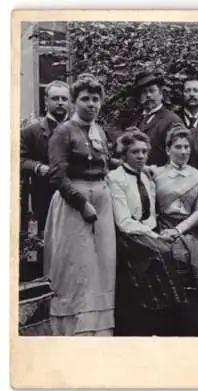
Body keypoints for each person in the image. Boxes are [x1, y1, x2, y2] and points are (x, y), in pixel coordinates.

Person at [44, 73, 116, 336]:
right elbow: (57, 174)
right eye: (85, 99)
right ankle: (73, 328)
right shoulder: (63, 132)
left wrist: (140, 170)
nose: (91, 105)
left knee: (103, 263)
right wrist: (81, 203)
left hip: (103, 202)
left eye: (95, 100)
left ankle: (99, 328)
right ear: (75, 102)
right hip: (73, 202)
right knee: (76, 265)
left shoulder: (99, 130)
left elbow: (105, 163)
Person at [107, 128, 187, 336]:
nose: (141, 156)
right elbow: (123, 221)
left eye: (144, 151)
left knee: (169, 250)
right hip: (126, 235)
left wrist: (155, 231)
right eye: (135, 152)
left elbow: (151, 213)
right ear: (124, 154)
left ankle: (166, 318)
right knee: (160, 253)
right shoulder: (116, 179)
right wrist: (153, 236)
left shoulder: (147, 177)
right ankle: (157, 315)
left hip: (147, 230)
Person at [152, 126, 198, 336]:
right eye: (178, 147)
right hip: (161, 228)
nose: (183, 151)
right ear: (168, 149)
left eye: (186, 147)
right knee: (168, 257)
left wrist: (178, 230)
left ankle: (194, 325)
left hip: (189, 229)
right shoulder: (156, 173)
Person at [20, 80, 70, 234]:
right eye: (55, 98)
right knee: (47, 245)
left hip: (77, 198)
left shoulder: (82, 129)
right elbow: (18, 160)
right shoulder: (31, 132)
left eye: (64, 99)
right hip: (44, 198)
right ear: (46, 101)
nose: (60, 103)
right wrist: (38, 167)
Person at [132, 70, 184, 166]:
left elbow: (177, 156)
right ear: (139, 98)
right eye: (144, 92)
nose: (148, 95)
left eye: (152, 90)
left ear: (161, 94)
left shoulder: (172, 120)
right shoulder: (136, 119)